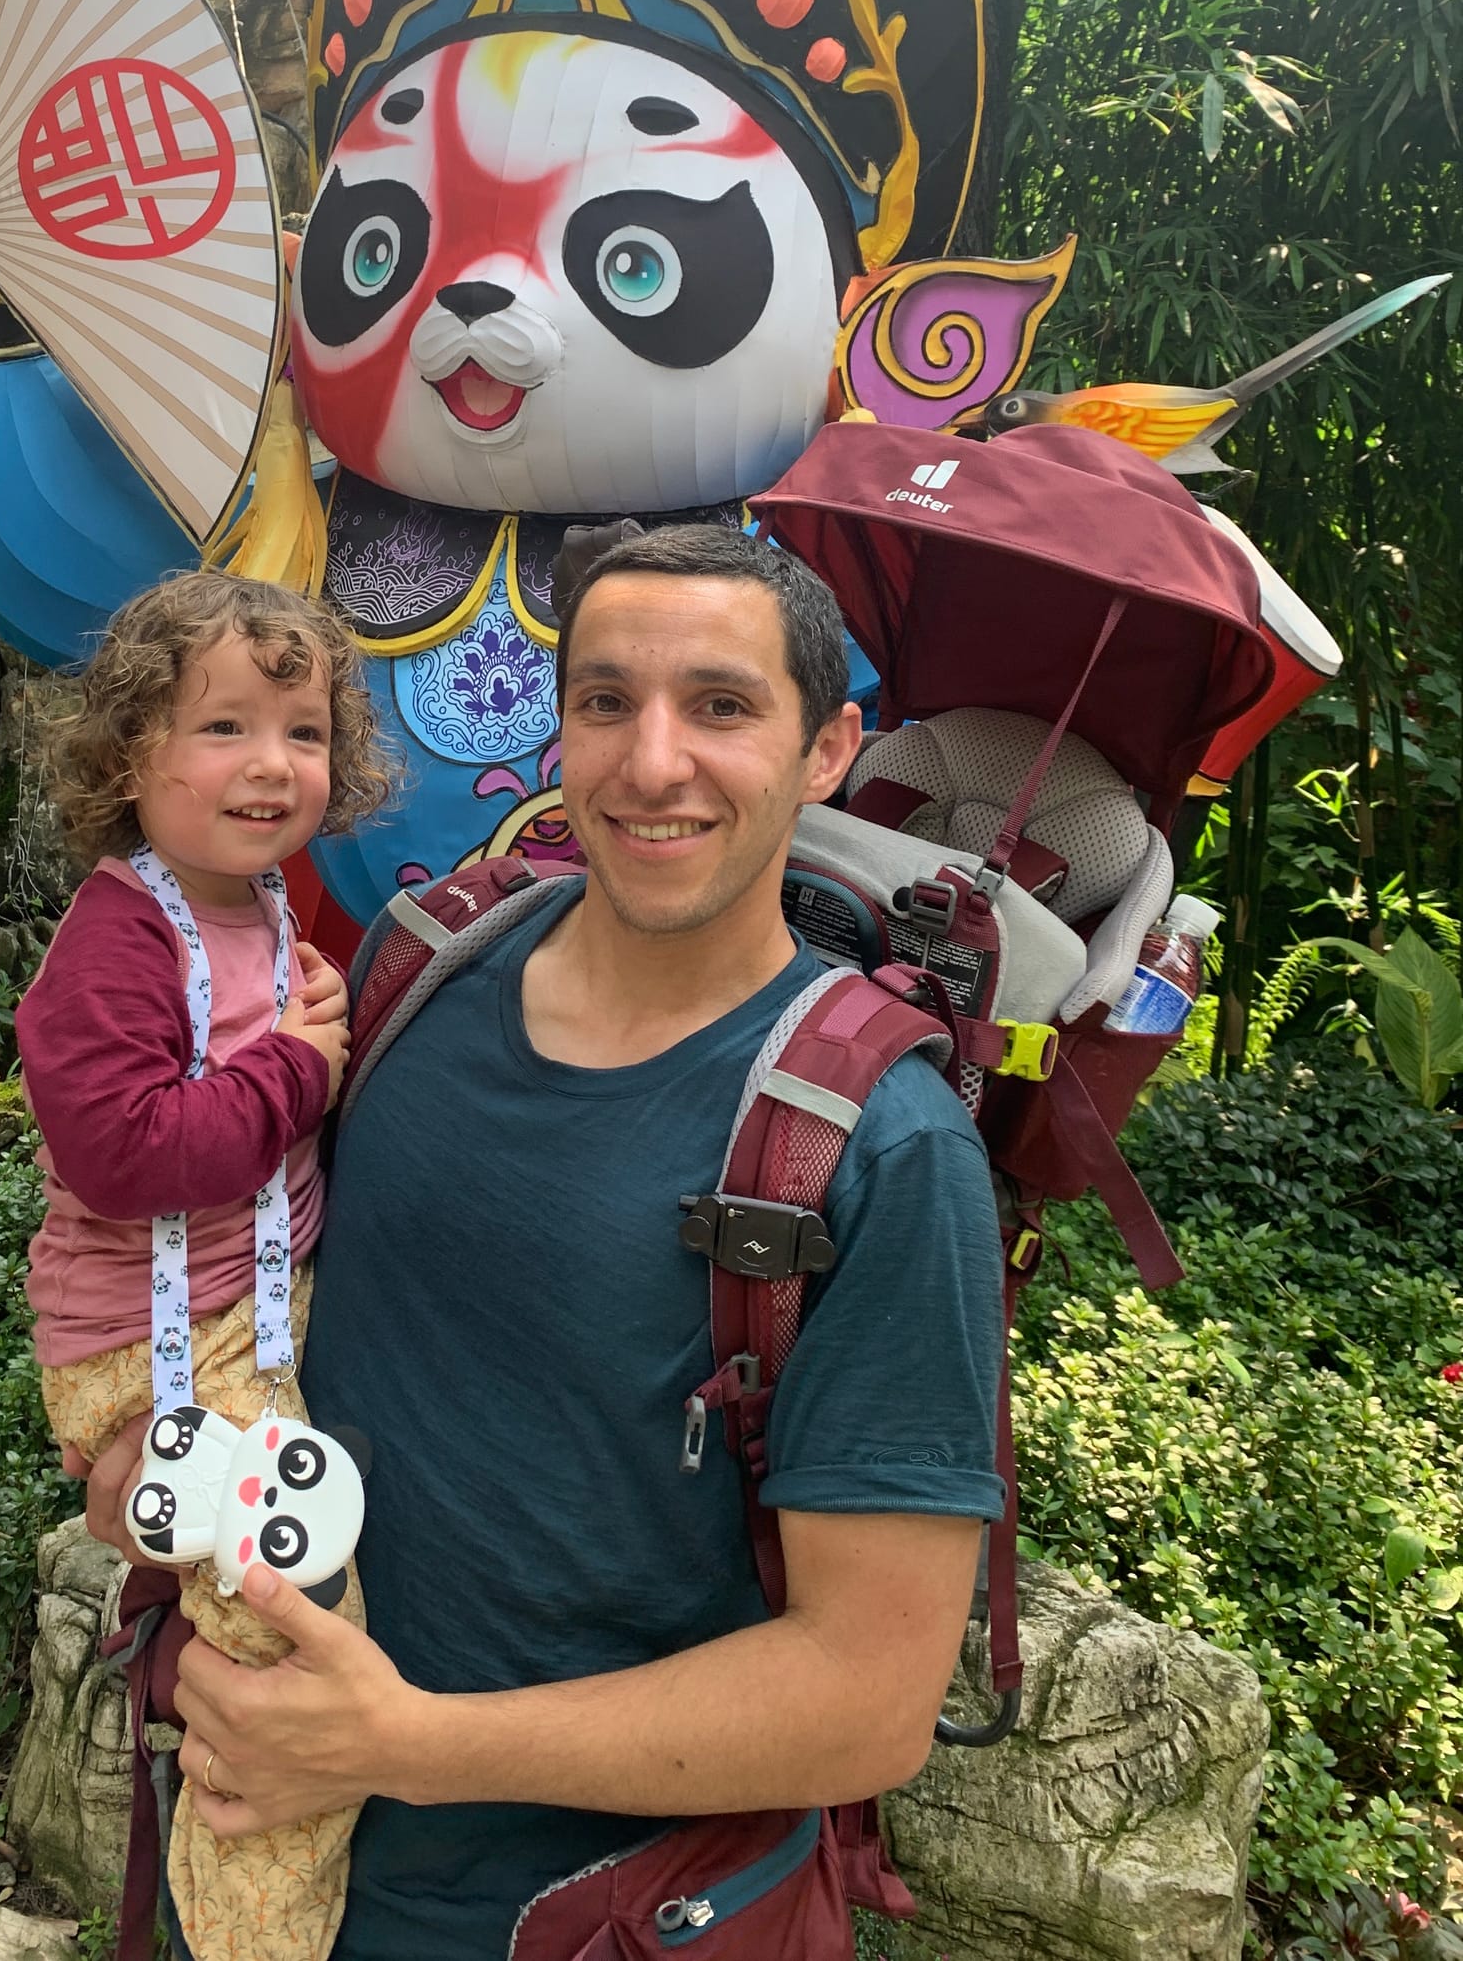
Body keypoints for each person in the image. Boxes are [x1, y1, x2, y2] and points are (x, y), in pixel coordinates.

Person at [83, 526, 1007, 1961]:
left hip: (586, 1918)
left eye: (721, 705)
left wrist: (400, 1746)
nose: (652, 762)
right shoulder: (416, 972)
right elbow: (236, 1273)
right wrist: (138, 1450)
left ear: (827, 750)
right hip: (258, 1858)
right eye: (607, 702)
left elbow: (868, 1700)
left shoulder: (876, 1152)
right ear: (558, 727)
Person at [18, 570, 389, 1961]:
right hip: (162, 1341)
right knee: (288, 1633)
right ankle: (254, 1919)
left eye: (304, 732)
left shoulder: (256, 903)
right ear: (130, 757)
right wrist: (300, 1070)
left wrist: (313, 1039)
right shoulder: (114, 939)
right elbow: (128, 1156)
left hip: (251, 1313)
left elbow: (273, 1074)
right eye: (224, 726)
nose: (272, 764)